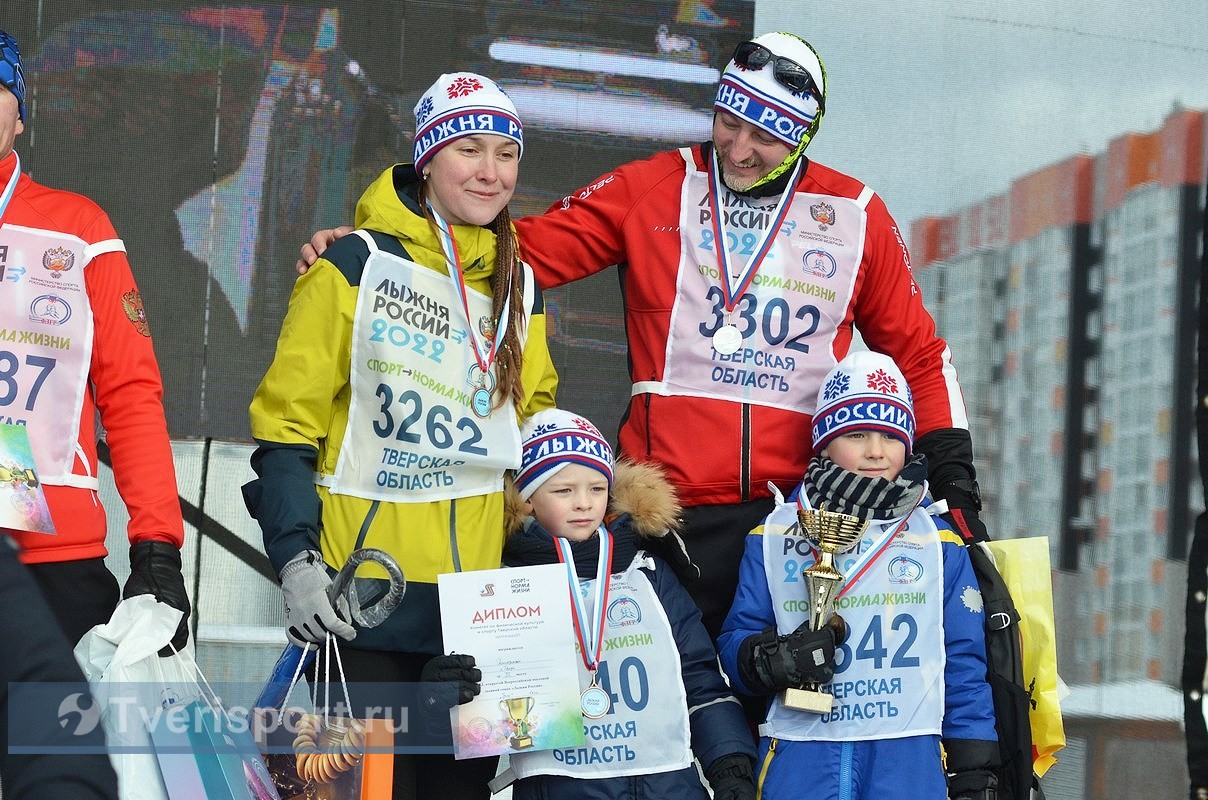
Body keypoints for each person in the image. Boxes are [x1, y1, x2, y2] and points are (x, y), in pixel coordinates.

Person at [295, 31, 988, 645]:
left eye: (766, 137)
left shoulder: (854, 212)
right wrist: (385, 252)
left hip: (798, 522)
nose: (739, 150)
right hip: (669, 517)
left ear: (803, 137)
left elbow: (919, 355)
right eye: (727, 121)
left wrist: (954, 475)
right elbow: (519, 253)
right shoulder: (657, 184)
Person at [242, 71, 559, 800]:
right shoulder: (353, 264)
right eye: (469, 150)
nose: (490, 171)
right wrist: (294, 562)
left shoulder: (520, 287)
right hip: (361, 607)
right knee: (356, 796)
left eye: (506, 154)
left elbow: (535, 425)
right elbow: (288, 423)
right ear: (426, 159)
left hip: (474, 617)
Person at [716, 350, 999, 800]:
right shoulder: (773, 533)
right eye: (857, 434)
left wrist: (975, 767)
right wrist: (769, 659)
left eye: (890, 436)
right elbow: (735, 641)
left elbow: (963, 663)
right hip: (801, 755)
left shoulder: (937, 540)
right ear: (824, 443)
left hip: (908, 762)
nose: (875, 451)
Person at [0, 29, 190, 651]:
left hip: (50, 561)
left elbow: (131, 393)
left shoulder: (79, 229)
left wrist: (157, 543)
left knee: (53, 750)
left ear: (20, 114)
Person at [491, 408, 755, 800]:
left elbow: (698, 677)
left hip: (668, 785)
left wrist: (729, 760)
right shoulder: (504, 584)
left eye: (596, 488)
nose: (583, 503)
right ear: (526, 500)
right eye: (563, 490)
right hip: (563, 786)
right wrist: (450, 696)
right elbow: (488, 715)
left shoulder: (649, 572)